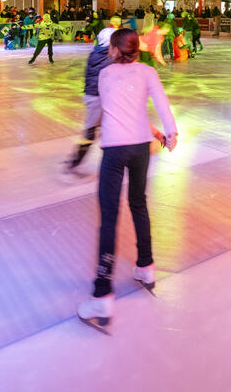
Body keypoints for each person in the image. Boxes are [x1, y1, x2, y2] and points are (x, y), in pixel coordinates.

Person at [77, 28, 177, 333]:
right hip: (139, 148)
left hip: (115, 150)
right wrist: (167, 133)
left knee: (109, 218)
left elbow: (114, 110)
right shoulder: (147, 72)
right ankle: (146, 267)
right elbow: (158, 102)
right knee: (138, 203)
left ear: (115, 50)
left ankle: (102, 294)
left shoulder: (106, 76)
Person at [62, 27, 118, 181]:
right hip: (97, 98)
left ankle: (113, 160)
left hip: (93, 96)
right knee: (91, 131)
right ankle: (75, 161)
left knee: (105, 129)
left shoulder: (96, 53)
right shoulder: (108, 57)